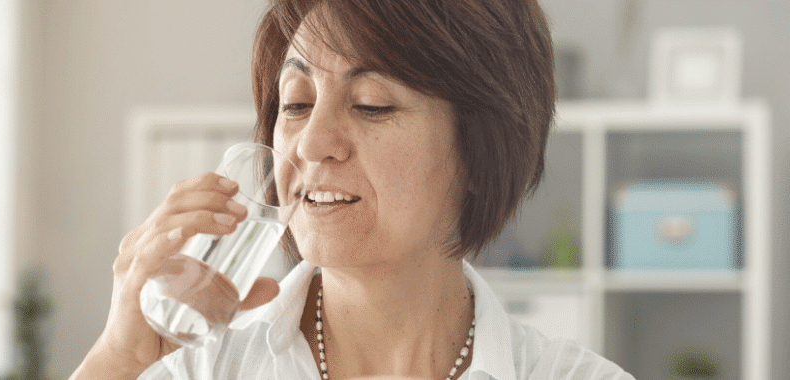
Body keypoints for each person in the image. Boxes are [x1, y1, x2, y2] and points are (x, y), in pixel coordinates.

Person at [72, 0, 636, 379]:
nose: (312, 143)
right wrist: (119, 359)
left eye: (372, 105)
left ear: (480, 149)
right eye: (295, 103)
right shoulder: (201, 368)